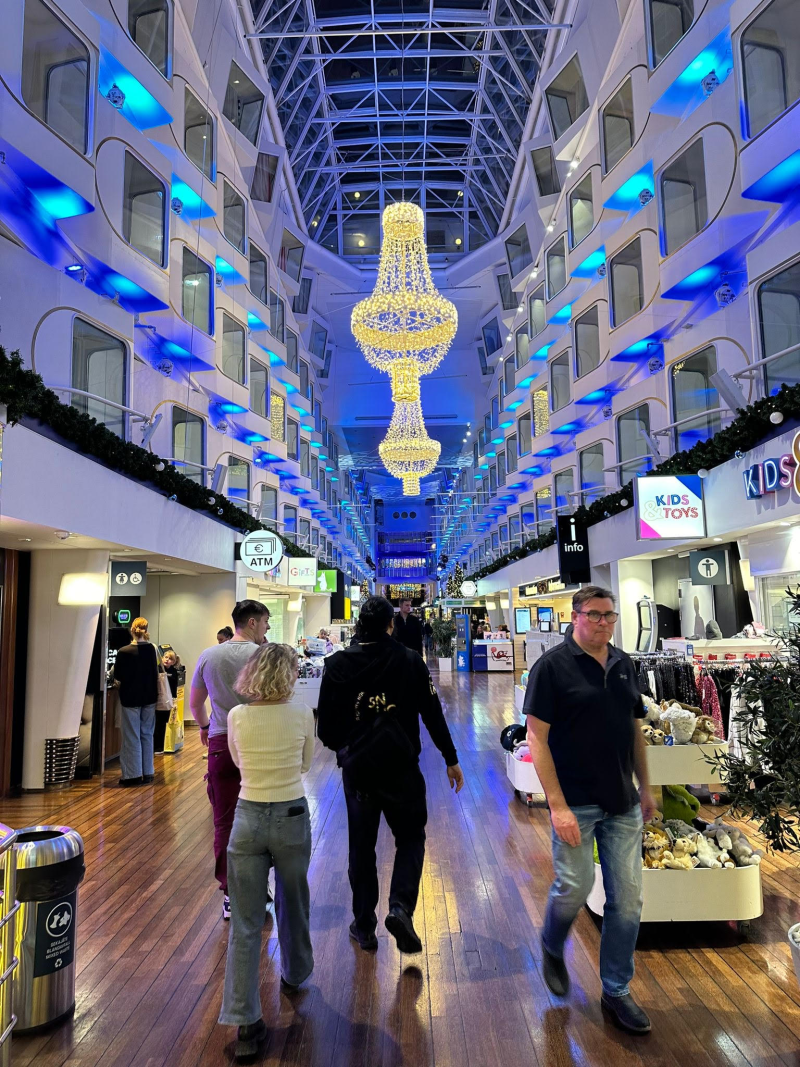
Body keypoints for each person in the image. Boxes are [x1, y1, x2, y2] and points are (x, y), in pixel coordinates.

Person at [524, 585, 655, 1035]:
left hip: (622, 802)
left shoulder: (624, 663)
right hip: (575, 802)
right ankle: (551, 943)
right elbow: (536, 738)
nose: (603, 622)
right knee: (574, 887)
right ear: (575, 616)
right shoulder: (551, 668)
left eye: (609, 615)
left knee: (628, 902)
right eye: (594, 615)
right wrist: (557, 806)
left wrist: (647, 787)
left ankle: (616, 989)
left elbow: (634, 729)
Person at [317, 596, 464, 955]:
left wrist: (347, 750)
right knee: (411, 837)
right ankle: (400, 908)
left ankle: (364, 926)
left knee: (361, 848)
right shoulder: (409, 660)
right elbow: (432, 712)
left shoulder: (337, 664)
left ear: (359, 624)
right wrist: (450, 758)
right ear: (390, 624)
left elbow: (326, 728)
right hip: (402, 767)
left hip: (359, 774)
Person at [219, 643, 315, 1061]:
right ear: (288, 675)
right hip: (291, 814)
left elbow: (238, 763)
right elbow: (306, 764)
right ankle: (295, 973)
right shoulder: (302, 714)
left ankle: (245, 1022)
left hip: (248, 818)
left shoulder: (237, 716)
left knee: (245, 921)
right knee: (293, 900)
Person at [190, 601, 271, 919]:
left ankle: (231, 893)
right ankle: (258, 885)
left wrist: (205, 727)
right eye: (264, 622)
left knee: (225, 821)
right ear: (252, 623)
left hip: (221, 743)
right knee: (262, 818)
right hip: (259, 742)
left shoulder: (209, 656)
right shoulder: (264, 655)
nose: (266, 627)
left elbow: (196, 703)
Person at [112, 617, 159, 786]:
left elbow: (117, 675)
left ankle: (133, 775)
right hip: (150, 697)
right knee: (147, 734)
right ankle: (148, 772)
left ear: (132, 630)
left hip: (130, 698)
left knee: (132, 736)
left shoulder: (123, 651)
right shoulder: (151, 649)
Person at [154, 650, 180, 755]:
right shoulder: (157, 669)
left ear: (173, 662)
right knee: (155, 723)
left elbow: (173, 688)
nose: (167, 660)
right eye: (165, 657)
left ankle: (159, 747)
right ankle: (154, 746)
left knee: (162, 723)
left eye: (170, 659)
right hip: (157, 700)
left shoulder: (174, 672)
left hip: (167, 701)